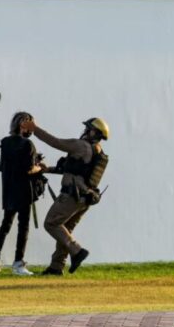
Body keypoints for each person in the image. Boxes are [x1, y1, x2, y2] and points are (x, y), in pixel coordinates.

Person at [20, 117, 109, 275]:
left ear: (94, 132)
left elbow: (55, 142)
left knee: (51, 224)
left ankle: (78, 251)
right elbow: (74, 171)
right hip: (85, 198)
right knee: (65, 229)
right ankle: (56, 267)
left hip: (71, 196)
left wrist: (35, 128)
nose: (86, 131)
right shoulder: (97, 150)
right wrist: (46, 169)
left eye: (89, 129)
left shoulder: (80, 145)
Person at [0, 112, 46, 275]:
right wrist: (40, 167)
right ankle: (18, 264)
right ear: (24, 125)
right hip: (24, 191)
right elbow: (29, 169)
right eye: (31, 125)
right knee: (23, 227)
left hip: (8, 190)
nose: (32, 129)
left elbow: (3, 168)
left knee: (5, 225)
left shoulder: (4, 143)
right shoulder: (28, 144)